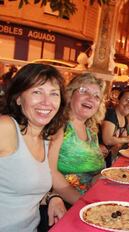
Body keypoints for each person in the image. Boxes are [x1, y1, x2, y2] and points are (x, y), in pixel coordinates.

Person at [0, 63, 67, 231]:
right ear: (18, 98)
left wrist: (53, 197)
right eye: (37, 92)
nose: (46, 102)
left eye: (54, 94)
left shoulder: (48, 136)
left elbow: (28, 188)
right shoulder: (6, 128)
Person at [48, 73, 107, 205]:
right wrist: (82, 203)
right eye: (83, 91)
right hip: (63, 204)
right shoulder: (59, 126)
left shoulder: (91, 131)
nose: (91, 98)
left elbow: (91, 175)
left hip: (90, 199)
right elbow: (50, 172)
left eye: (97, 96)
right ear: (70, 95)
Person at [100, 89, 129, 166]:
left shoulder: (124, 118)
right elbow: (108, 140)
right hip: (96, 158)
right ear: (118, 100)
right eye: (126, 100)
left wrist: (121, 141)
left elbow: (120, 143)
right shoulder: (111, 114)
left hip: (108, 158)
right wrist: (126, 139)